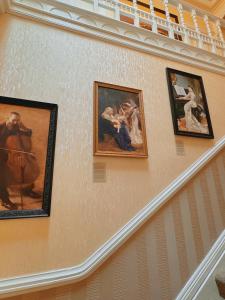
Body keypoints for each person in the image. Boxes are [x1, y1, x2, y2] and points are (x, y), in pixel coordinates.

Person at [0, 112, 40, 210]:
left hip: (14, 155)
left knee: (27, 169)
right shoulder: (1, 128)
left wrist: (24, 127)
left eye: (17, 120)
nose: (15, 122)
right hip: (2, 156)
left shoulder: (17, 127)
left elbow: (29, 133)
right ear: (8, 118)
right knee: (2, 174)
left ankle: (27, 189)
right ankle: (5, 200)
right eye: (13, 120)